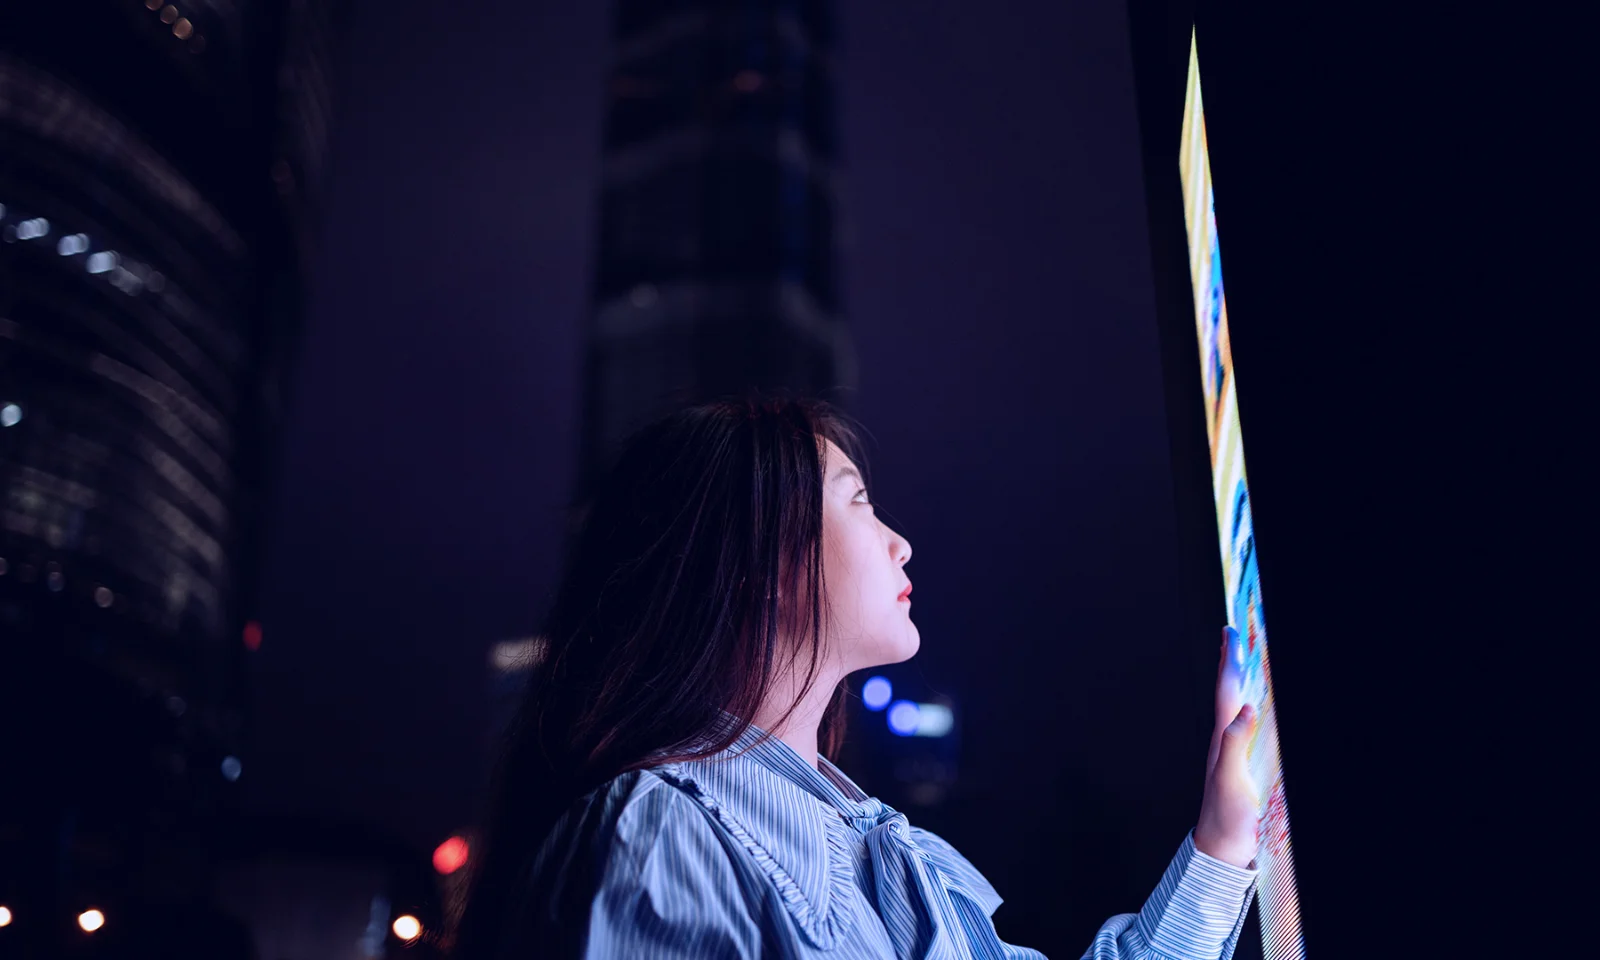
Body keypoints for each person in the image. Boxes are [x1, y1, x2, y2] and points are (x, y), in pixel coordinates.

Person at [453, 395, 1260, 959]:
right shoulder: (659, 839)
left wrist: (1223, 839)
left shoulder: (892, 855)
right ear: (756, 561)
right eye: (860, 504)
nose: (899, 541)